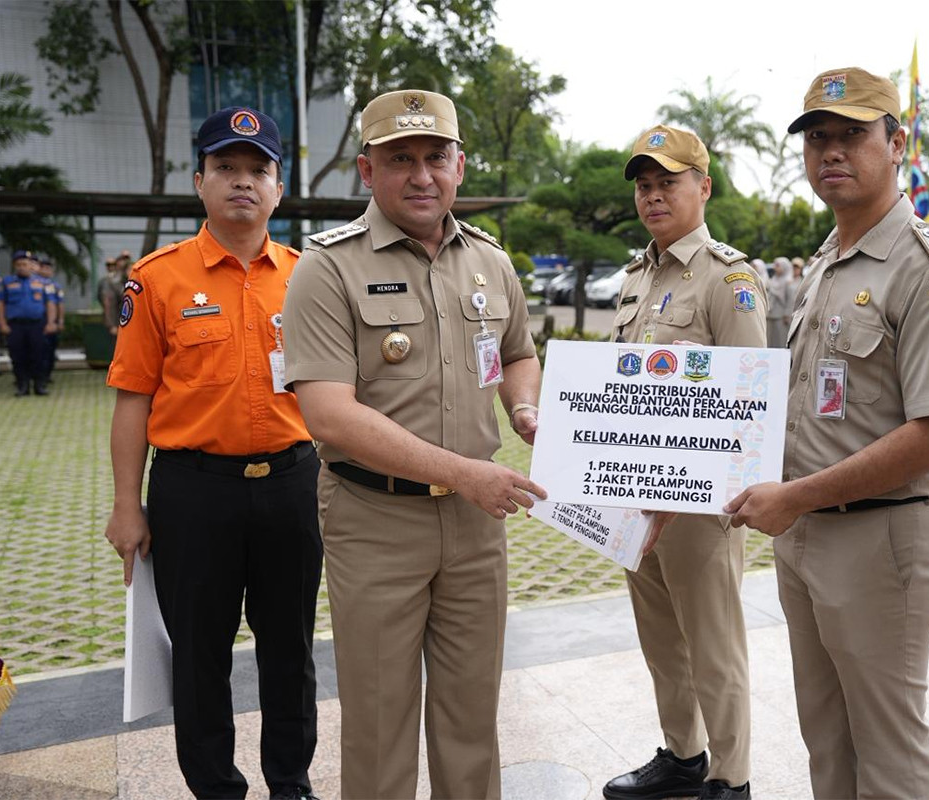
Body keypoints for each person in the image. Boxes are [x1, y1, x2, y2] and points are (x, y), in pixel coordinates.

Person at [724, 66, 929, 798]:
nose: (830, 152)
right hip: (806, 532)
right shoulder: (829, 263)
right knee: (826, 737)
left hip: (882, 540)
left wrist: (796, 495)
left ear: (897, 143)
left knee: (888, 746)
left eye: (851, 136)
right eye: (817, 139)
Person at [281, 88, 545, 800]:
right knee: (378, 718)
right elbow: (329, 416)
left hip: (474, 524)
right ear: (368, 171)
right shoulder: (327, 269)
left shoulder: (491, 261)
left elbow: (519, 353)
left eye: (436, 156)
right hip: (375, 521)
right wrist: (465, 472)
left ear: (460, 164)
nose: (422, 174)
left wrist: (524, 408)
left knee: (471, 716)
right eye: (402, 159)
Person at [104, 106, 322, 800]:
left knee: (290, 647)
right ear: (198, 180)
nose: (242, 182)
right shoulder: (157, 278)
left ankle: (290, 781)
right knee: (200, 654)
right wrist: (124, 505)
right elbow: (133, 398)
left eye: (258, 169)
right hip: (194, 493)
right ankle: (217, 789)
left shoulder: (309, 276)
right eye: (225, 167)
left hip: (293, 484)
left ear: (279, 188)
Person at [602, 124, 766, 800]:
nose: (653, 195)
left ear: (703, 186)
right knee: (662, 640)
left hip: (699, 504)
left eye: (667, 181)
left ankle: (732, 777)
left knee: (713, 645)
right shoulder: (636, 275)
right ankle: (682, 756)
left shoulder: (729, 278)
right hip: (636, 497)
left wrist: (709, 490)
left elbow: (748, 403)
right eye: (644, 184)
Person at [0, 250, 54, 396]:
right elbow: (1, 303)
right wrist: (2, 323)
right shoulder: (7, 282)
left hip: (37, 324)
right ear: (15, 266)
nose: (22, 267)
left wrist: (51, 322)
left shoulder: (42, 283)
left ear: (31, 266)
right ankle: (22, 385)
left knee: (39, 355)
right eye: (19, 264)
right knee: (18, 356)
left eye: (25, 264)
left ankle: (39, 385)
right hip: (15, 325)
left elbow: (50, 304)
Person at [36, 255, 63, 384]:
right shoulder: (34, 283)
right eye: (44, 268)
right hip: (37, 321)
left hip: (52, 321)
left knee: (50, 349)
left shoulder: (55, 286)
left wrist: (60, 321)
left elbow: (60, 304)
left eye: (49, 268)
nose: (46, 270)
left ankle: (47, 374)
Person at [766, 256, 799, 348]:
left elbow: (790, 299)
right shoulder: (773, 279)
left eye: (777, 265)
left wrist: (787, 314)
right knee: (770, 340)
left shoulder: (788, 281)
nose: (775, 268)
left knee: (780, 340)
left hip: (781, 317)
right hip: (770, 314)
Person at [97, 256, 124, 335]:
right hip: (109, 319)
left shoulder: (121, 279)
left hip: (121, 317)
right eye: (108, 265)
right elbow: (100, 298)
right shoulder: (103, 281)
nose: (111, 267)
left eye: (113, 264)